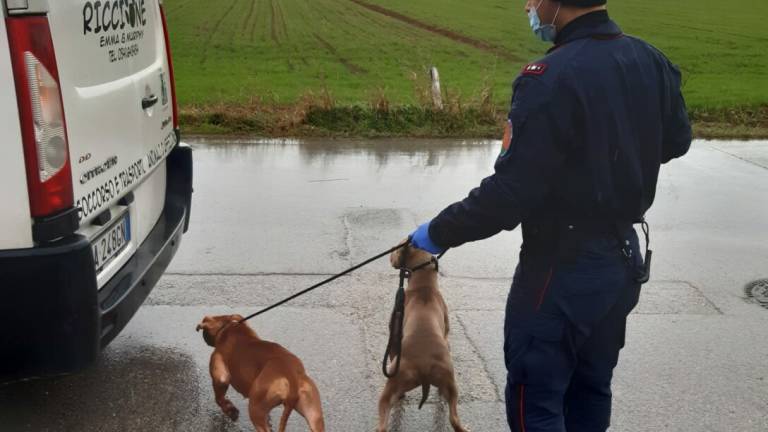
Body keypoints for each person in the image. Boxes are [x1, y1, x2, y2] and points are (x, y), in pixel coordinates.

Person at [407, 0, 692, 431]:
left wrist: (437, 232)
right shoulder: (649, 59)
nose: (529, 6)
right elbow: (677, 141)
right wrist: (616, 159)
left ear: (555, 3)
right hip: (620, 263)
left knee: (535, 398)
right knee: (591, 388)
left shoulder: (549, 78)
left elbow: (509, 193)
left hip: (560, 270)